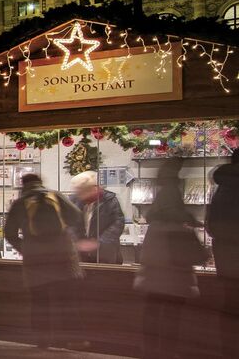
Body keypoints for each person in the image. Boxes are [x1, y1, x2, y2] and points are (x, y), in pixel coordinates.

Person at [3, 173, 84, 349]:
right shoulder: (55, 195)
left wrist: (24, 248)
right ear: (40, 182)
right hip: (62, 254)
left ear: (23, 185)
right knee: (65, 298)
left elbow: (9, 232)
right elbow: (76, 215)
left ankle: (42, 340)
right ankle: (69, 339)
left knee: (39, 300)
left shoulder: (20, 203)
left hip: (36, 258)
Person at [135, 167, 205, 359]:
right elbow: (198, 256)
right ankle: (167, 353)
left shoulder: (154, 227)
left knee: (152, 316)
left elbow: (146, 256)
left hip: (153, 279)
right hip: (176, 280)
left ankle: (149, 352)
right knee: (171, 320)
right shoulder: (180, 229)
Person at [207, 149, 239, 358]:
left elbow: (211, 226)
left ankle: (227, 350)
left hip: (225, 258)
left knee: (230, 306)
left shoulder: (222, 188)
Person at [70, 170, 125, 264]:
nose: (81, 197)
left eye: (84, 192)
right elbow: (69, 223)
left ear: (94, 188)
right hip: (81, 255)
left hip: (105, 254)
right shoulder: (74, 200)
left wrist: (99, 242)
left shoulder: (110, 201)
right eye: (79, 193)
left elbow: (118, 224)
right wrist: (77, 241)